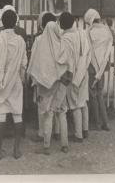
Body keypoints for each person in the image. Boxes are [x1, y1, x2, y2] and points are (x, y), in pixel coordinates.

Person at [0, 9, 28, 160]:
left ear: (2, 22)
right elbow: (23, 64)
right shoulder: (20, 40)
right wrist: (21, 79)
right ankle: (16, 149)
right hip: (15, 81)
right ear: (15, 22)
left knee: (0, 114)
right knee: (17, 114)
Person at [28, 19, 74, 154]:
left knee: (48, 114)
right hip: (62, 84)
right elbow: (69, 64)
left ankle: (46, 146)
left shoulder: (42, 47)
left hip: (47, 86)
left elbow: (36, 67)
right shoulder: (63, 45)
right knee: (62, 113)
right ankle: (64, 145)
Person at [59, 12, 91, 142]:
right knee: (83, 102)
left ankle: (78, 135)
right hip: (84, 71)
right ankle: (85, 130)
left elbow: (66, 59)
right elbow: (88, 53)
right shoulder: (82, 33)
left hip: (73, 73)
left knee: (75, 104)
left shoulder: (65, 38)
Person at [28, 11, 56, 143]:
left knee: (42, 108)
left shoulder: (39, 40)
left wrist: (32, 76)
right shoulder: (59, 38)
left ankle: (42, 134)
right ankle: (54, 132)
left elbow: (34, 58)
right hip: (56, 79)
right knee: (53, 108)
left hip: (41, 79)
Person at [84, 8, 113, 131]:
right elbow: (107, 52)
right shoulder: (107, 31)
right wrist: (100, 69)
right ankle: (105, 123)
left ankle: (96, 124)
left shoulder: (88, 32)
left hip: (91, 67)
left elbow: (88, 51)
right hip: (102, 67)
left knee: (93, 96)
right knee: (100, 94)